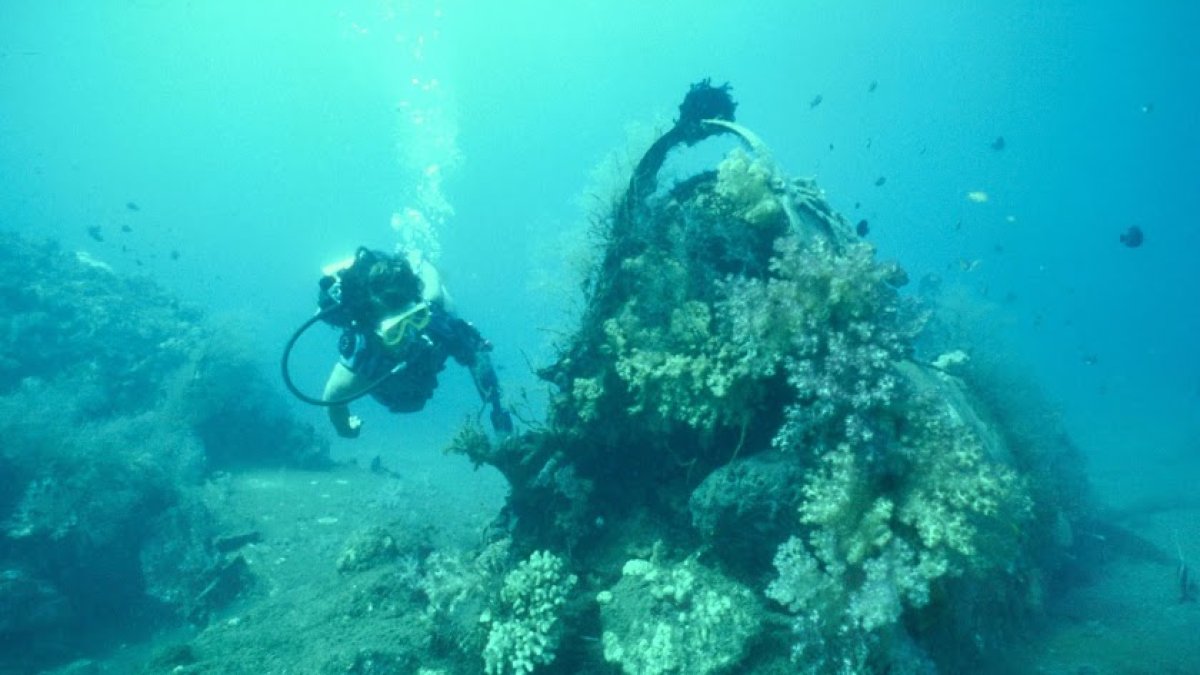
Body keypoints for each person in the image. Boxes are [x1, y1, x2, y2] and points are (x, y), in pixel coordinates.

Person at [314, 246, 513, 439]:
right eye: (395, 331)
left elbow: (476, 356)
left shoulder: (436, 317)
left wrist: (499, 415)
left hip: (428, 298)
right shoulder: (362, 361)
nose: (411, 335)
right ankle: (413, 259)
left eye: (417, 319)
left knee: (440, 300)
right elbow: (332, 400)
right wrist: (345, 428)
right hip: (385, 373)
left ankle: (415, 256)